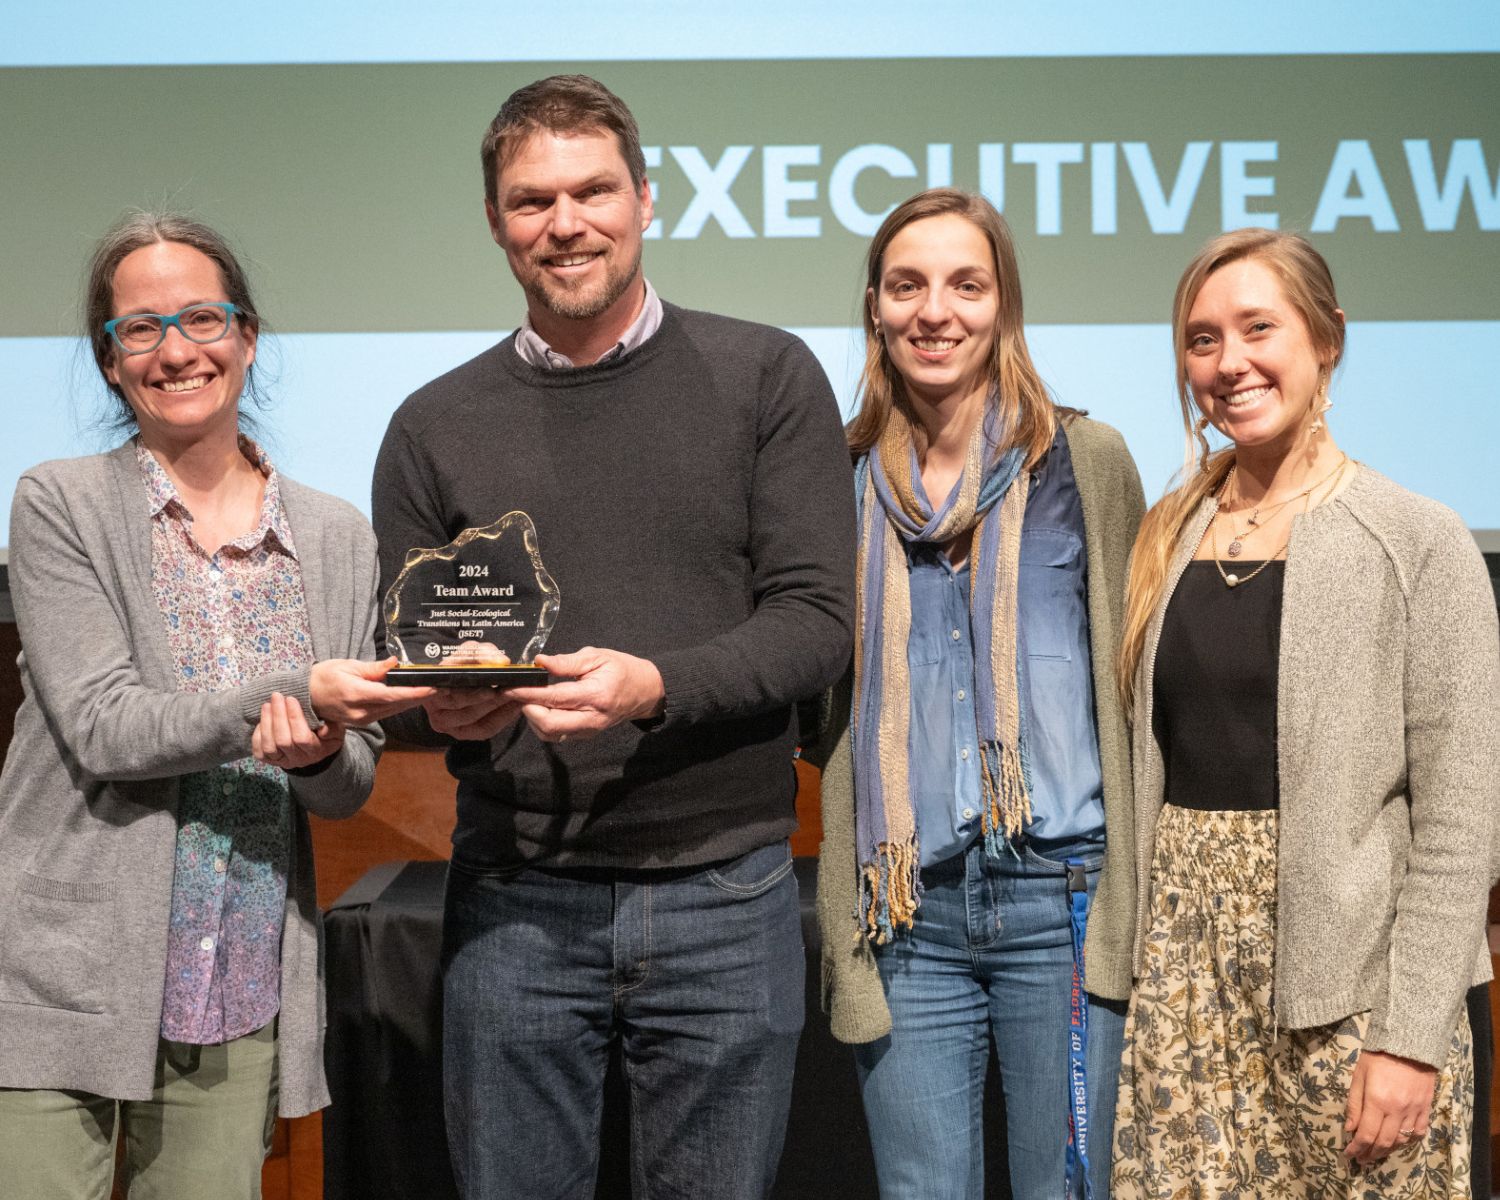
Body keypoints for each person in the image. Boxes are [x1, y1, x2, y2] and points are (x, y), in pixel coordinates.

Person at [370, 74, 855, 1199]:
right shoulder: (430, 426)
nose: (565, 223)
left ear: (647, 199)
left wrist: (652, 685)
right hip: (516, 897)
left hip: (726, 897)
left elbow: (816, 626)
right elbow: (424, 642)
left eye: (592, 191)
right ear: (497, 222)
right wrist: (447, 700)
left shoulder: (766, 378)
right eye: (532, 201)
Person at [0, 214, 432, 1199]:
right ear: (111, 363)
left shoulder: (334, 536)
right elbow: (108, 728)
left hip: (235, 983)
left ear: (245, 335)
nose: (176, 350)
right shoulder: (60, 502)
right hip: (61, 969)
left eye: (201, 317)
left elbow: (345, 788)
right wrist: (291, 695)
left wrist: (318, 752)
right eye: (140, 329)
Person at [1111, 227, 1499, 1197]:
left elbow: (1461, 825)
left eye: (1257, 328)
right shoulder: (1168, 536)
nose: (1227, 362)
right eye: (1202, 340)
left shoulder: (1419, 540)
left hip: (1354, 998)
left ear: (1326, 338)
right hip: (1188, 990)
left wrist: (1410, 1039)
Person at [809, 188, 1146, 1199]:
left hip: (1065, 898)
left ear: (1002, 304)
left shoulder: (1086, 463)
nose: (935, 310)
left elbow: (1136, 692)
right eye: (907, 285)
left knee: (1070, 1190)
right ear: (873, 304)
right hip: (905, 909)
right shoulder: (836, 480)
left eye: (966, 284)